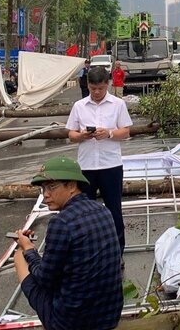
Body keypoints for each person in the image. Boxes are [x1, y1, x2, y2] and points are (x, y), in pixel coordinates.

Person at [14, 156, 122, 330]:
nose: (46, 195)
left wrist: (27, 248)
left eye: (51, 187)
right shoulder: (103, 211)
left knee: (20, 257)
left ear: (71, 186)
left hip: (71, 324)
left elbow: (44, 280)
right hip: (110, 316)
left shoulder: (61, 222)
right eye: (43, 189)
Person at [66, 67, 132, 251]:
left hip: (110, 165)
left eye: (100, 89)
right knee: (84, 211)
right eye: (93, 88)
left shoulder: (118, 104)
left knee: (113, 209)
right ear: (87, 85)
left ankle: (117, 251)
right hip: (86, 166)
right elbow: (70, 134)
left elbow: (126, 131)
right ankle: (87, 250)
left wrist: (109, 133)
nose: (96, 92)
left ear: (107, 84)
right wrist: (81, 136)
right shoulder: (79, 106)